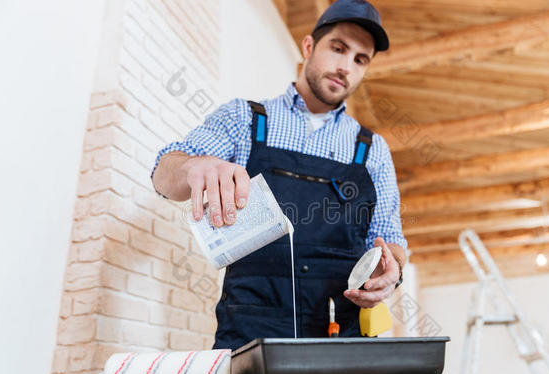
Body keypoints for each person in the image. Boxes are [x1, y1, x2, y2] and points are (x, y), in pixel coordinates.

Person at [152, 0, 407, 351]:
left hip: (341, 339)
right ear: (308, 46)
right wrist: (194, 166)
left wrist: (391, 271)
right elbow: (164, 176)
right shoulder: (245, 120)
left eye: (360, 59)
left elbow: (390, 239)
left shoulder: (372, 149)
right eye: (338, 48)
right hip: (249, 337)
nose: (346, 67)